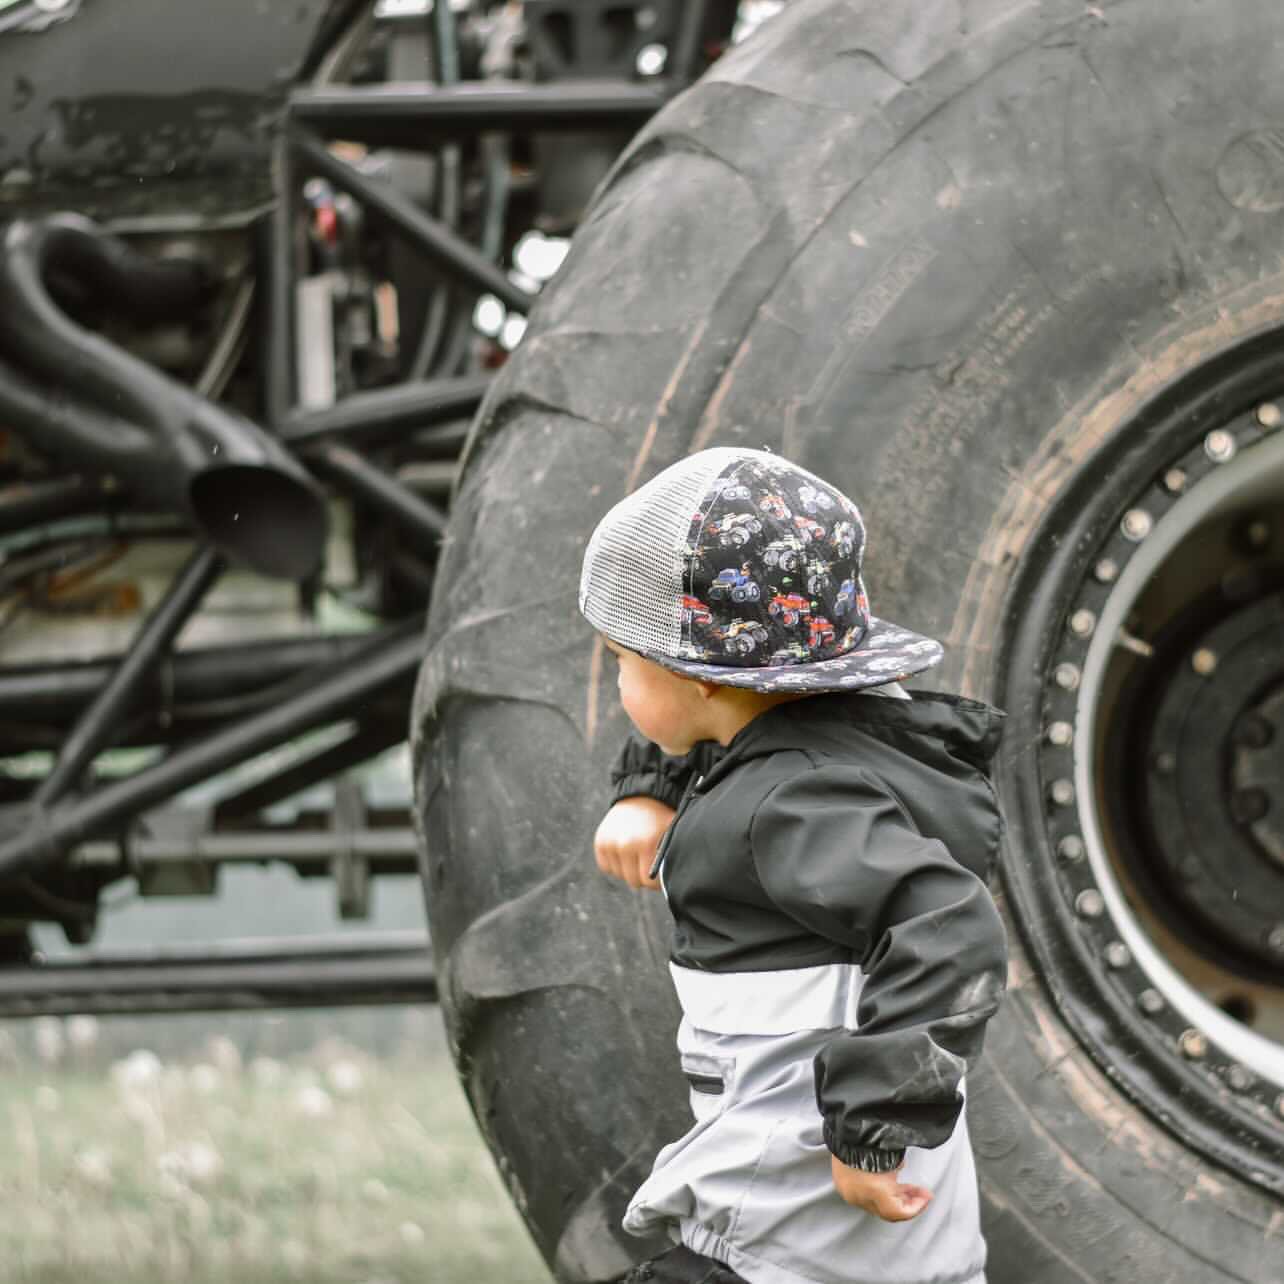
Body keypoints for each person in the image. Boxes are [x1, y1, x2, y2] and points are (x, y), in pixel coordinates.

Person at [578, 446, 1008, 1284]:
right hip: (864, 1243)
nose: (618, 680)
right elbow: (730, 732)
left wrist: (872, 1125)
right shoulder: (838, 750)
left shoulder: (793, 806)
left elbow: (949, 928)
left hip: (786, 1241)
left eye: (621, 660)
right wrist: (651, 786)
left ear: (699, 679)